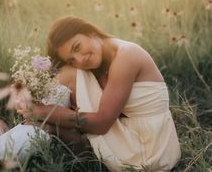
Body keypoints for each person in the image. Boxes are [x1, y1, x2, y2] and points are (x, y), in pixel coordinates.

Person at [17, 16, 181, 171]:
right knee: (50, 124)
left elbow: (101, 123)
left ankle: (30, 126)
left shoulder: (127, 55)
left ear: (91, 32)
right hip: (136, 136)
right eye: (72, 59)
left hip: (147, 149)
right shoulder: (100, 61)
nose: (80, 60)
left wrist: (45, 111)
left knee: (67, 76)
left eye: (77, 47)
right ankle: (11, 146)